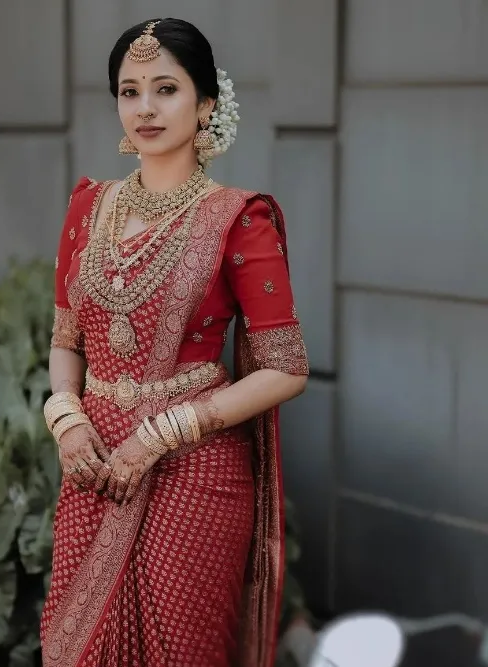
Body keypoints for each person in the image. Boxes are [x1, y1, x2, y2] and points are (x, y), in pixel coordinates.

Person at [40, 18, 309, 667]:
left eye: (166, 88)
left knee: (179, 648)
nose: (146, 108)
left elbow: (286, 368)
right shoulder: (88, 207)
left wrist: (163, 433)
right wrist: (65, 418)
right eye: (130, 92)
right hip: (95, 464)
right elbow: (65, 339)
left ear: (206, 104)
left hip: (195, 469)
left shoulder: (238, 219)